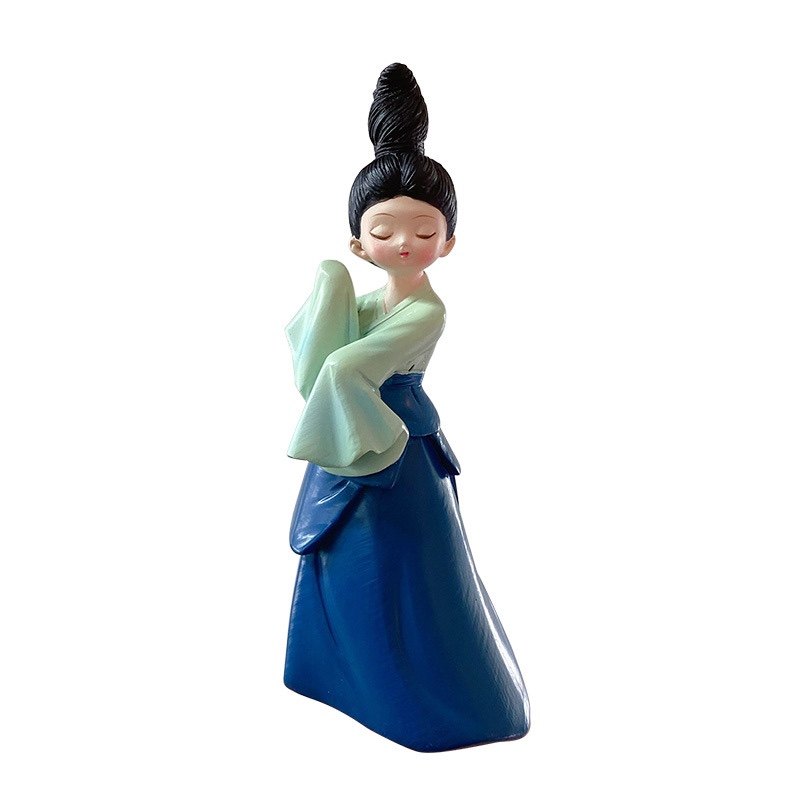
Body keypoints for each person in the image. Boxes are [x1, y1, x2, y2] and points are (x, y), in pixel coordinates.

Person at [283, 63, 530, 752]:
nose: (404, 243)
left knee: (404, 571)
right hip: (349, 432)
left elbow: (347, 366)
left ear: (448, 241)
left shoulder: (425, 311)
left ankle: (428, 699)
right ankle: (336, 676)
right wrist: (331, 285)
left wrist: (336, 355)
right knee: (345, 561)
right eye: (385, 230)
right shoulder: (368, 298)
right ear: (358, 241)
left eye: (423, 231)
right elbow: (320, 361)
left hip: (388, 440)